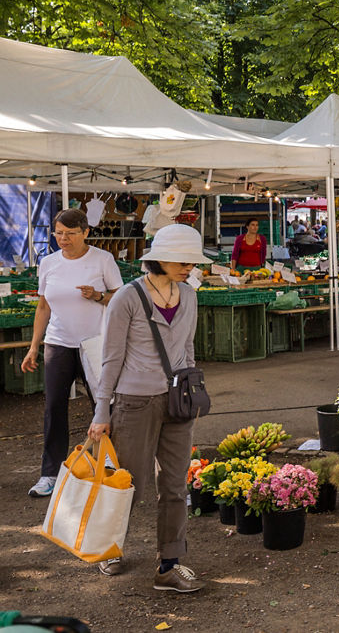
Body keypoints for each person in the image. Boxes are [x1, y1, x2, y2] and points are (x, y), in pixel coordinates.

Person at [88, 224, 210, 591]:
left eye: (192, 261)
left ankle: (169, 565)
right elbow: (110, 359)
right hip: (134, 402)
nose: (189, 267)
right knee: (129, 484)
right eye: (183, 260)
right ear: (158, 258)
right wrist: (101, 411)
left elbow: (187, 348)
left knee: (175, 485)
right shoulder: (127, 297)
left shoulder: (189, 295)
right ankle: (108, 548)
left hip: (177, 401)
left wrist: (191, 388)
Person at [22, 208, 124, 498]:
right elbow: (43, 306)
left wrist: (98, 296)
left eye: (70, 233)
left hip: (95, 342)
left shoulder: (103, 260)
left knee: (102, 403)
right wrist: (34, 346)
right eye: (58, 233)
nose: (63, 239)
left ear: (86, 232)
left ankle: (109, 461)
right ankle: (50, 473)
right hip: (58, 342)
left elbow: (121, 297)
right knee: (54, 407)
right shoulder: (49, 262)